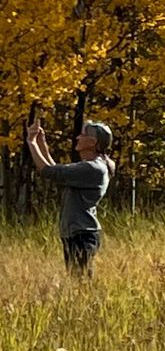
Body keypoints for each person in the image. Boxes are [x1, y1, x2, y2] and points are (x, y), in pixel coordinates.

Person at [26, 117, 113, 276]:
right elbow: (56, 172)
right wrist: (41, 143)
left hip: (82, 234)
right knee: (78, 282)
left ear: (92, 142)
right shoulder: (92, 166)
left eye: (82, 135)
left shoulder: (92, 168)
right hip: (78, 233)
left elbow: (48, 171)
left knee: (80, 284)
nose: (78, 138)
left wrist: (31, 142)